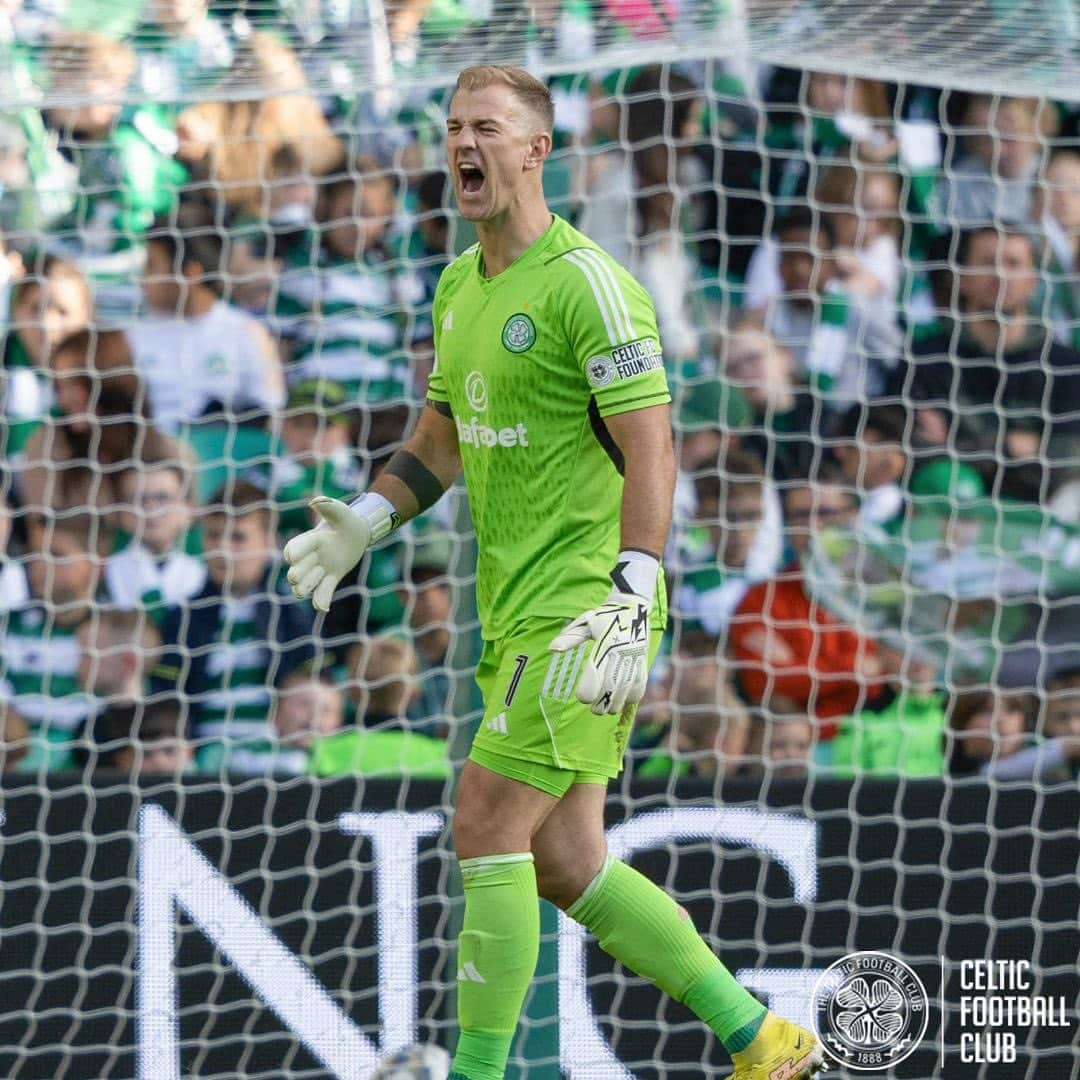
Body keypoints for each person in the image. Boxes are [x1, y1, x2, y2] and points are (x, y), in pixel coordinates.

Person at [283, 64, 822, 1080]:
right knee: (567, 861)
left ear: (538, 150)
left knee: (485, 815)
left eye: (486, 126)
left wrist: (636, 581)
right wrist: (366, 519)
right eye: (452, 128)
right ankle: (762, 1037)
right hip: (514, 610)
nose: (462, 144)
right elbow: (442, 439)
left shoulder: (589, 285)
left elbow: (653, 447)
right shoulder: (460, 283)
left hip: (589, 610)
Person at [149, 480, 318, 774]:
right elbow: (167, 698)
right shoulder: (183, 618)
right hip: (204, 758)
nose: (223, 550)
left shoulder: (293, 617)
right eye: (214, 536)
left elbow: (314, 690)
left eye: (238, 538)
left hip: (278, 755)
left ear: (269, 543)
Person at [128, 201, 285, 434]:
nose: (141, 278)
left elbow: (272, 416)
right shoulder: (129, 337)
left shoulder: (246, 332)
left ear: (190, 274)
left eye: (151, 266)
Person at [105, 447, 205, 618]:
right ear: (121, 512)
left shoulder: (211, 564)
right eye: (138, 500)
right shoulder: (106, 568)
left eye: (162, 498)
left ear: (189, 508)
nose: (151, 510)